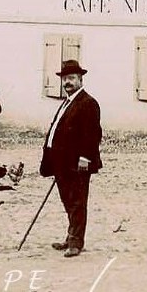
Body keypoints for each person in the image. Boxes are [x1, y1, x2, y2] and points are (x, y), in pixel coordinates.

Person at [38, 59, 103, 257]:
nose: (68, 82)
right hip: (61, 162)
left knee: (77, 202)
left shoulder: (88, 103)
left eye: (72, 78)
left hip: (77, 164)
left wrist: (84, 158)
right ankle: (70, 236)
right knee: (68, 201)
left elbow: (92, 134)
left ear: (80, 79)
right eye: (65, 78)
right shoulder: (67, 102)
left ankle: (76, 243)